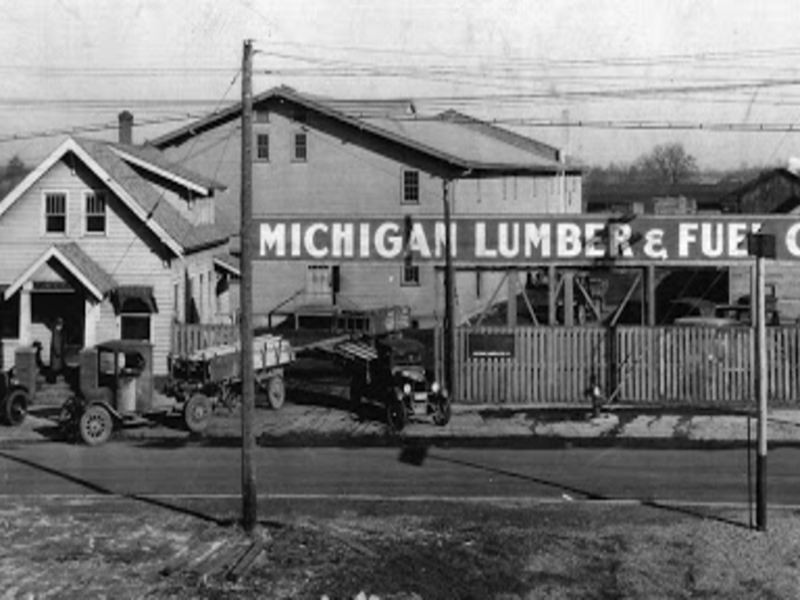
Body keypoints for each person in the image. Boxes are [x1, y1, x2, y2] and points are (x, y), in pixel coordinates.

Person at [49, 317, 65, 382]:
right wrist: (58, 352)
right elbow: (56, 343)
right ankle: (52, 380)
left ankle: (53, 379)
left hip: (57, 353)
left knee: (56, 367)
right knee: (55, 368)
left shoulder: (57, 332)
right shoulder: (56, 333)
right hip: (56, 353)